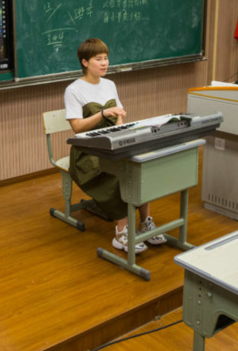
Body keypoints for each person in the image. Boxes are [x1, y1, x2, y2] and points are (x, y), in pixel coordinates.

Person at [63, 38, 165, 254]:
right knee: (116, 174)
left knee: (138, 165)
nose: (104, 63)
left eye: (106, 58)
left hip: (112, 143)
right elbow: (77, 129)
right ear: (84, 62)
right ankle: (121, 233)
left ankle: (145, 221)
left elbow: (118, 117)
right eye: (98, 59)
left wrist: (121, 133)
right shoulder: (73, 90)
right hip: (87, 151)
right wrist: (102, 114)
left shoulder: (110, 85)